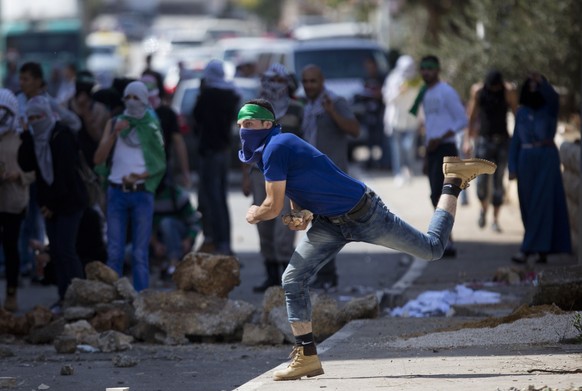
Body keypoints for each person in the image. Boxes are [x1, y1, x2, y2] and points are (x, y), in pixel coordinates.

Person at [236, 98, 496, 380]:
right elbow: (304, 180)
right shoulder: (269, 150)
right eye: (240, 125)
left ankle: (452, 181)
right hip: (330, 224)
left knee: (433, 249)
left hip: (364, 213)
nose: (243, 131)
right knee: (292, 279)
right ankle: (307, 356)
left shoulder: (275, 146)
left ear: (266, 124)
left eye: (249, 124)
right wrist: (301, 213)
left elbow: (272, 206)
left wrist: (255, 213)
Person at [17, 96, 89, 314]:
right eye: (31, 118)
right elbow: (26, 163)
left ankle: (79, 298)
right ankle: (63, 298)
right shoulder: (37, 139)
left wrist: (51, 205)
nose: (36, 121)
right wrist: (27, 134)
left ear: (47, 115)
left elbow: (64, 176)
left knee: (66, 250)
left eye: (39, 116)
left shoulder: (61, 136)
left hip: (69, 202)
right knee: (56, 251)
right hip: (50, 204)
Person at [93, 81, 166, 291]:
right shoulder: (115, 121)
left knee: (139, 253)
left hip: (142, 193)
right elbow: (98, 159)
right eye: (128, 97)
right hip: (116, 193)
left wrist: (139, 176)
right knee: (114, 251)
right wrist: (115, 133)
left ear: (144, 100)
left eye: (137, 98)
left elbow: (159, 162)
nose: (132, 102)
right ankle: (113, 298)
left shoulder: (151, 125)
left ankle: (140, 300)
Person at [241, 63, 303, 292]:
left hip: (287, 177)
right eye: (270, 80)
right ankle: (271, 276)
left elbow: (305, 143)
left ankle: (288, 279)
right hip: (259, 175)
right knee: (263, 225)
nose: (273, 86)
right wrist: (245, 176)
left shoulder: (297, 109)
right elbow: (246, 143)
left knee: (284, 228)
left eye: (279, 81)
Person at [300, 64, 360, 290]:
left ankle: (328, 274)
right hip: (310, 174)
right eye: (305, 81)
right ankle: (325, 274)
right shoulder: (307, 106)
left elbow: (354, 129)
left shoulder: (335, 102)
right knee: (318, 225)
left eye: (313, 81)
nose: (309, 86)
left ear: (322, 81)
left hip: (330, 174)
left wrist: (332, 112)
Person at [508, 73, 571, 264]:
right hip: (526, 159)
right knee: (527, 205)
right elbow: (516, 141)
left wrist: (543, 82)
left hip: (546, 158)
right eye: (531, 84)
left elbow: (552, 96)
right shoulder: (521, 112)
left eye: (537, 85)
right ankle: (541, 249)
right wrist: (512, 166)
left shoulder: (549, 108)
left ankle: (526, 250)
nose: (533, 87)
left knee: (541, 203)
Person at [409, 55, 468, 257]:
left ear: (437, 70)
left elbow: (462, 120)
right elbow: (429, 126)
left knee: (445, 195)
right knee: (435, 195)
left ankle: (446, 241)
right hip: (433, 150)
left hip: (446, 148)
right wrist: (426, 155)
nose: (426, 72)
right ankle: (446, 239)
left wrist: (442, 137)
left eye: (430, 68)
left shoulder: (446, 92)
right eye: (423, 68)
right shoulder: (425, 93)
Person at [192, 59, 240, 255]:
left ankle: (217, 241)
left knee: (211, 199)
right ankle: (223, 242)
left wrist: (201, 92)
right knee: (220, 198)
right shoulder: (231, 94)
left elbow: (196, 117)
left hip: (210, 152)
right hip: (223, 151)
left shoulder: (208, 95)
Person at [464, 70, 518, 232]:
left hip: (502, 141)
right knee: (481, 182)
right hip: (483, 141)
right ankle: (483, 209)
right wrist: (467, 140)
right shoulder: (479, 92)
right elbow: (471, 117)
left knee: (498, 182)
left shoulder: (507, 92)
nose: (494, 89)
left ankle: (495, 219)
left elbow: (516, 113)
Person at [0, 88, 35, 311]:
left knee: (11, 248)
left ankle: (11, 294)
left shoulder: (23, 139)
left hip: (14, 201)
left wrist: (17, 176)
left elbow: (34, 172)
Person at [141, 74, 191, 189]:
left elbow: (179, 143)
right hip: (143, 169)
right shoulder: (131, 117)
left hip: (161, 168)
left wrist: (185, 171)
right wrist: (185, 172)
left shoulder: (167, 114)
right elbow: (179, 143)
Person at [382, 55, 423, 186]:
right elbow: (387, 99)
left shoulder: (417, 81)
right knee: (397, 149)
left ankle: (408, 169)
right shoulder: (393, 79)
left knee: (409, 147)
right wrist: (399, 92)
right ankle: (398, 173)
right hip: (395, 120)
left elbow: (420, 101)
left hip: (411, 120)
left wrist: (422, 119)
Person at [151, 183, 202, 279]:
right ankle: (162, 263)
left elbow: (196, 222)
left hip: (179, 238)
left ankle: (174, 263)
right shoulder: (147, 196)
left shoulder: (178, 195)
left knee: (166, 223)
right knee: (129, 253)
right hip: (159, 242)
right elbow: (145, 227)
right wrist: (155, 244)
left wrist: (188, 240)